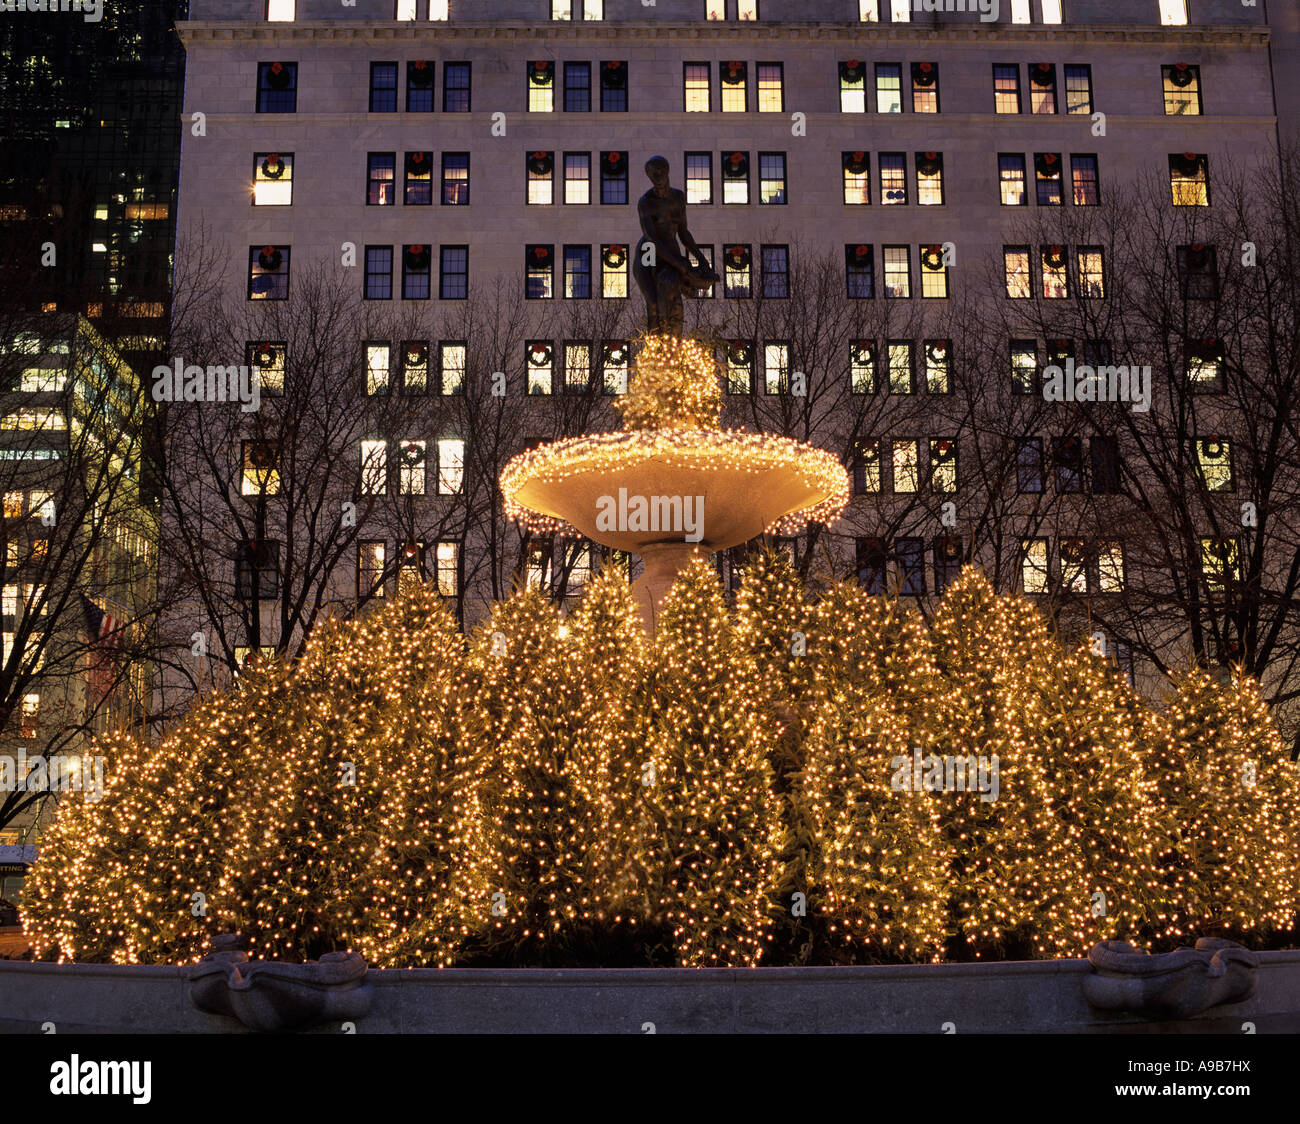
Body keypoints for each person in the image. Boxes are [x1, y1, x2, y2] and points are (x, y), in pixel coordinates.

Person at [631, 155, 720, 336]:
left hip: (670, 249)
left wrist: (702, 260)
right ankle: (655, 350)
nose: (657, 177)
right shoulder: (646, 202)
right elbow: (651, 239)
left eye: (660, 172)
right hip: (648, 252)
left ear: (667, 171)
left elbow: (684, 233)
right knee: (654, 303)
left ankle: (673, 343)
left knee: (672, 294)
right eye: (652, 175)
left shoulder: (678, 197)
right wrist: (679, 264)